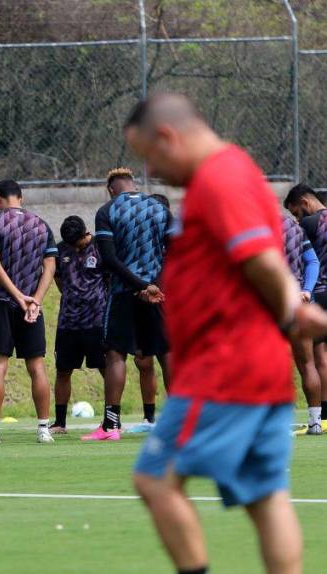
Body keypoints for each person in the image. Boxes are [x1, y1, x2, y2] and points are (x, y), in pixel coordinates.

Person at [127, 92, 327, 574]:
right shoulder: (235, 171)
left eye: (148, 158)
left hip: (224, 366)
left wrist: (295, 311)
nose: (152, 172)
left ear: (168, 137)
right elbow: (264, 257)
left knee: (154, 479)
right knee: (265, 497)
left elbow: (259, 259)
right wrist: (295, 308)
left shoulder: (218, 179)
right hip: (255, 365)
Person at [84, 167, 172, 441]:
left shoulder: (107, 211)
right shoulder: (159, 208)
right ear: (133, 184)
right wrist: (153, 284)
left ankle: (111, 426)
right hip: (157, 293)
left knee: (116, 354)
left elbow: (109, 259)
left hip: (124, 292)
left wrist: (139, 285)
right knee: (167, 353)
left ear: (111, 189)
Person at [0, 180, 58, 444]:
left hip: (3, 302)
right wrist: (35, 300)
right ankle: (43, 429)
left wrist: (17, 297)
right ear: (21, 198)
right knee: (37, 367)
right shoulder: (41, 224)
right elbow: (50, 267)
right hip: (32, 308)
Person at [49, 216, 107, 434]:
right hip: (68, 322)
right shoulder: (60, 250)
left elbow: (108, 280)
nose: (74, 247)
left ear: (86, 234)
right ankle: (60, 423)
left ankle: (111, 419)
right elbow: (59, 281)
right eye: (70, 244)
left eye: (78, 243)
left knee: (106, 368)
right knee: (63, 371)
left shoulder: (100, 248)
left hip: (97, 320)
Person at [280, 205, 321, 434]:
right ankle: (315, 422)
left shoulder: (253, 227)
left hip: (271, 302)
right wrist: (306, 289)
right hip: (298, 300)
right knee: (307, 363)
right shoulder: (293, 227)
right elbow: (312, 261)